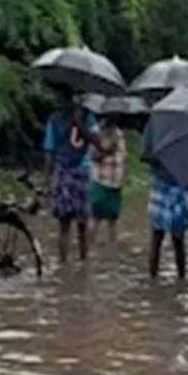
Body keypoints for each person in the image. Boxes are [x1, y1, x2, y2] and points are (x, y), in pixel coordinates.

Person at [45, 86, 102, 263]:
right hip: (63, 171)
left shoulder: (87, 116)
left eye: (60, 99)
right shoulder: (54, 120)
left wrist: (80, 125)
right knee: (64, 224)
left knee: (82, 223)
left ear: (68, 100)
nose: (57, 103)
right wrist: (48, 178)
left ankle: (83, 262)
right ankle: (63, 263)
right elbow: (49, 150)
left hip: (81, 172)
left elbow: (98, 141)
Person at [142, 122, 188, 280]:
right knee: (157, 236)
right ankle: (153, 279)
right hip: (160, 183)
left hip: (179, 185)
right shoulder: (153, 126)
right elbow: (144, 155)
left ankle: (181, 279)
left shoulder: (186, 129)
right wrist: (162, 156)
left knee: (178, 237)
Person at [89, 113, 127, 245]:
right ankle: (90, 246)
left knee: (113, 219)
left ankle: (113, 248)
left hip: (116, 182)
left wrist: (123, 181)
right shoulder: (95, 132)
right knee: (95, 217)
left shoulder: (118, 133)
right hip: (100, 180)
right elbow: (93, 156)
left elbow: (123, 159)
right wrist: (108, 149)